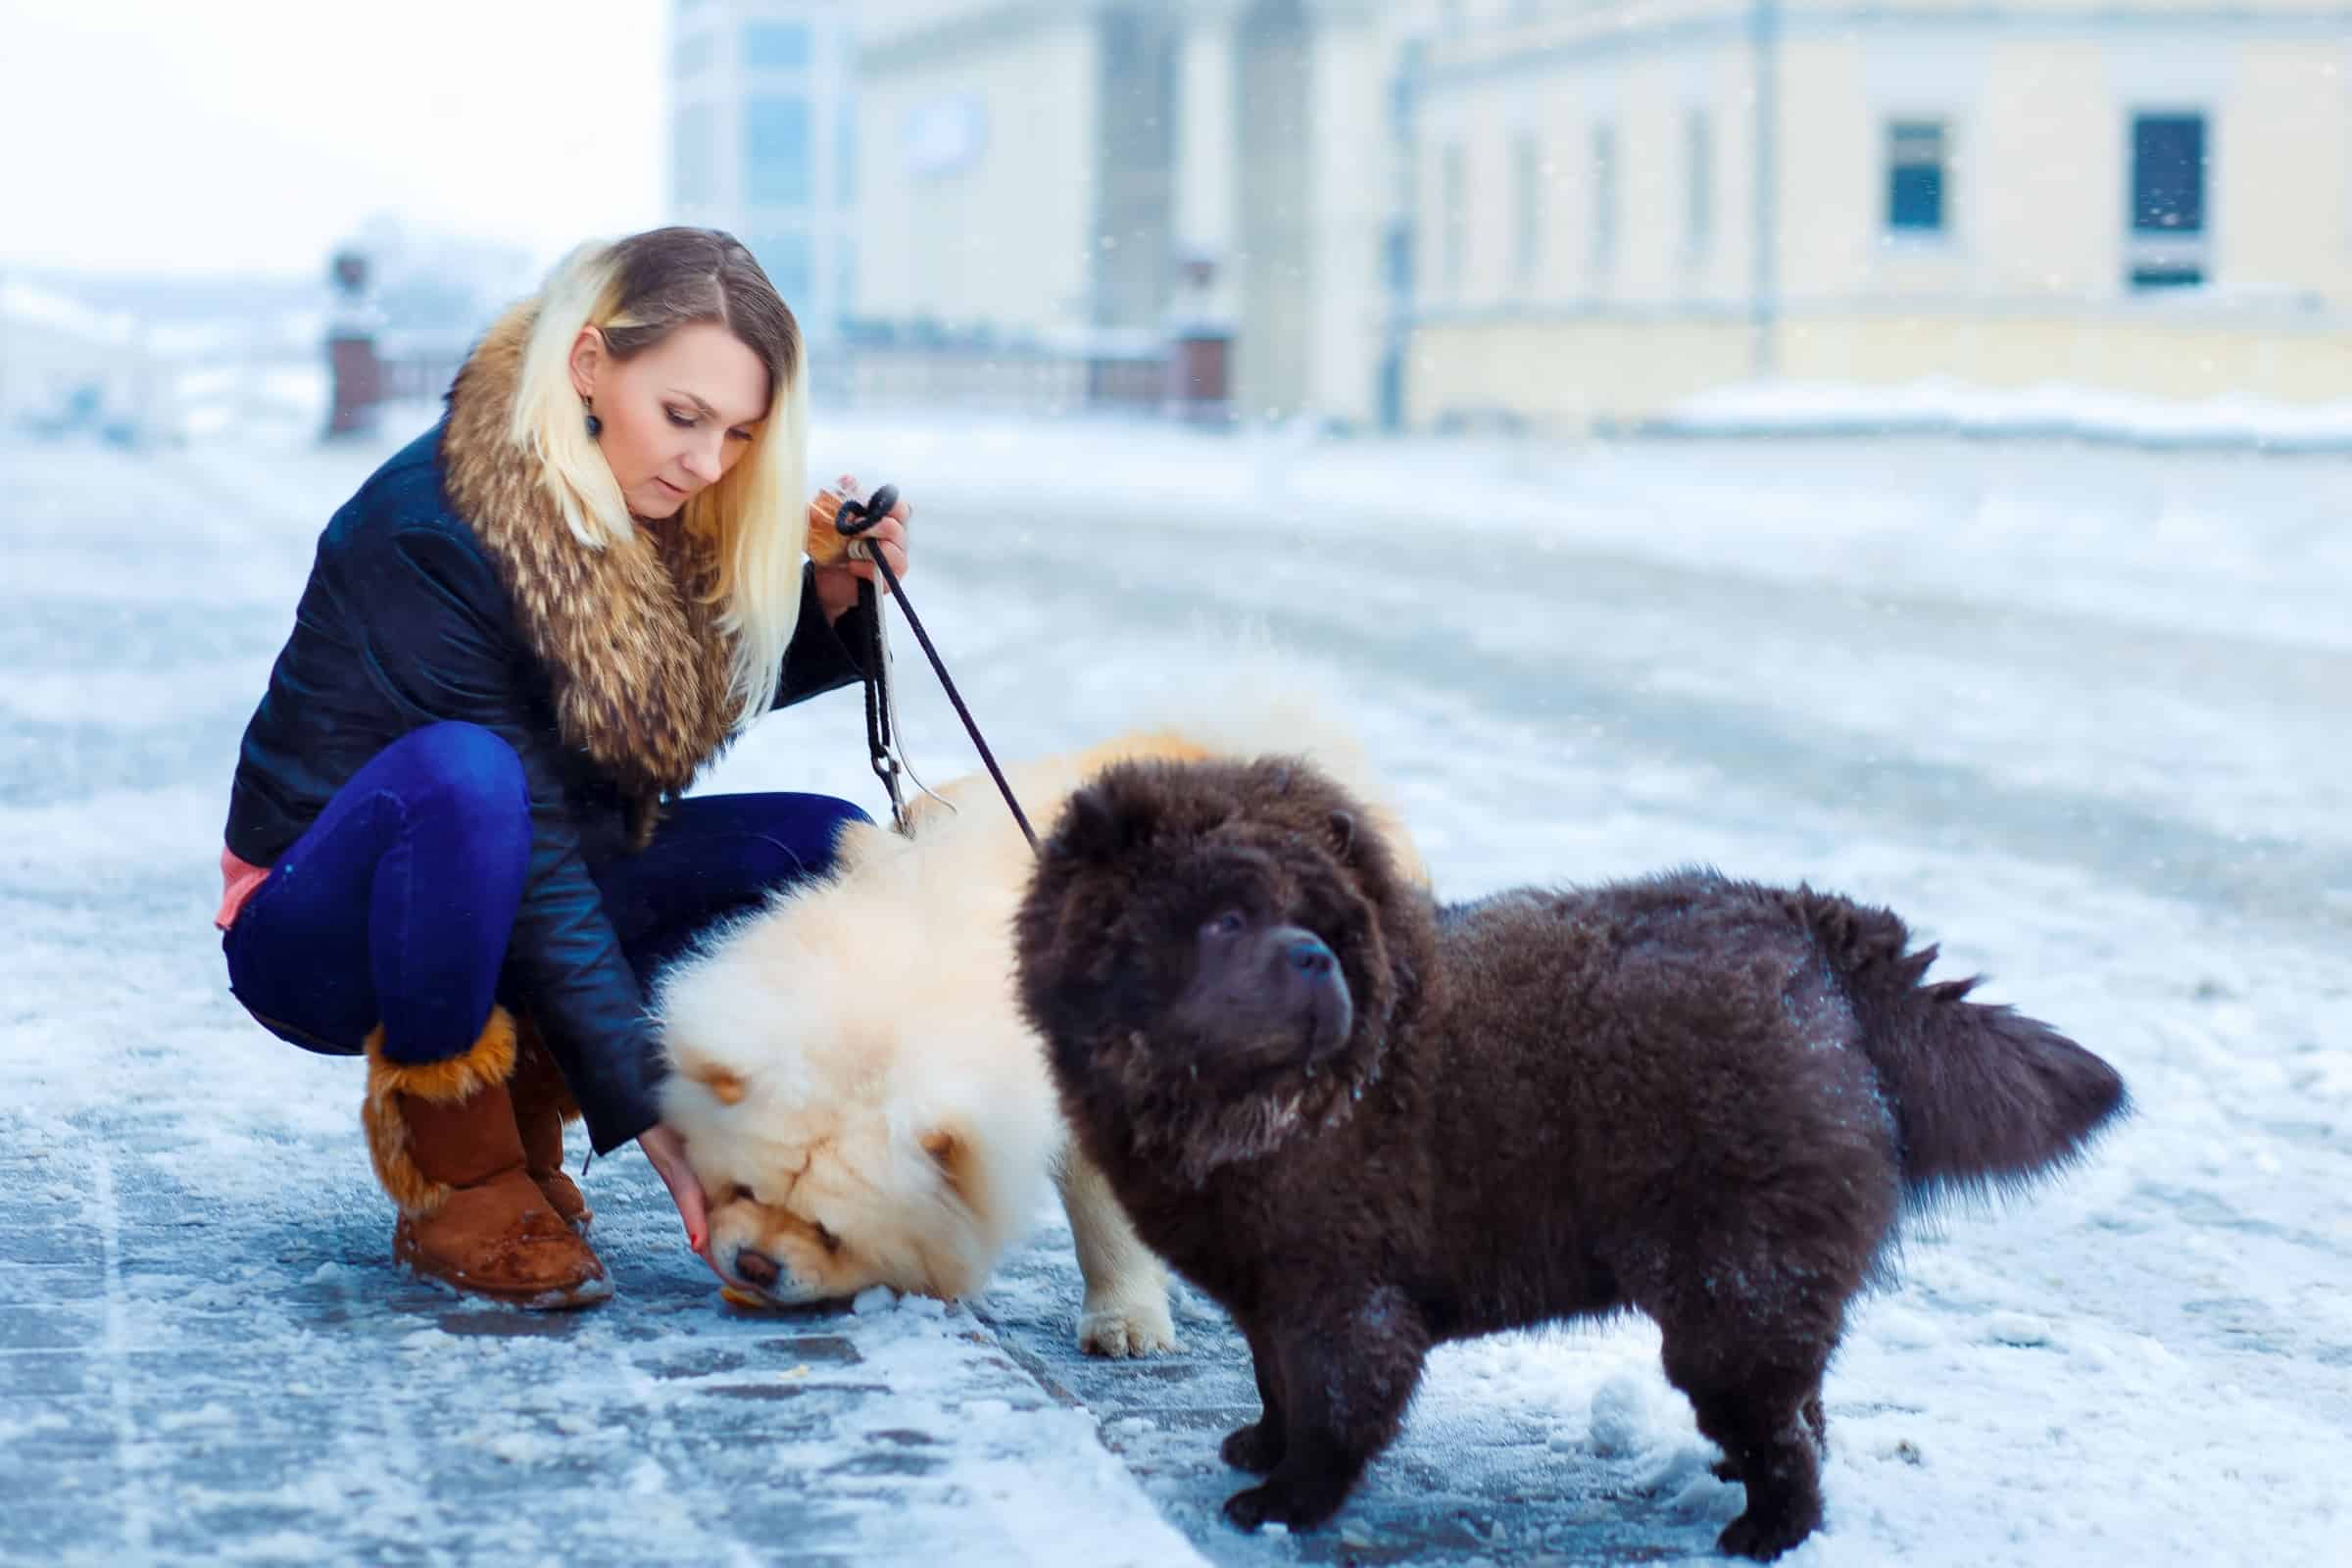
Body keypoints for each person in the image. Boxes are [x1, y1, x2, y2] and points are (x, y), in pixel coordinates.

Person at [215, 227, 911, 1307]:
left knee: (822, 847)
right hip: (326, 923)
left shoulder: (650, 502)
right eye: (683, 416)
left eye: (738, 432)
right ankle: (466, 1172)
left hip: (522, 884)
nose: (706, 460)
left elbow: (642, 721)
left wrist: (830, 612)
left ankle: (535, 1093)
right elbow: (526, 831)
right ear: (588, 364)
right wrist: (645, 1105)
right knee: (467, 777)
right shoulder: (433, 524)